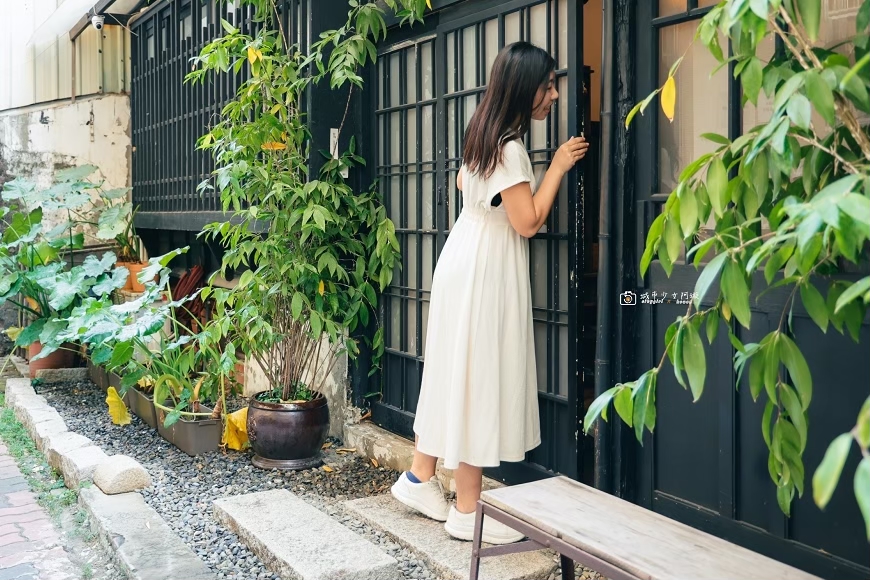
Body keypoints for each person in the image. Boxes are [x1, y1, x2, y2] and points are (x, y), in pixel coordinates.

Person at [390, 41, 589, 545]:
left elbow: (463, 184)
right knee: (477, 377)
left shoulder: (481, 135)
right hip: (486, 268)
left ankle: (418, 476)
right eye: (547, 86)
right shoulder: (512, 148)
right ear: (526, 90)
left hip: (462, 256)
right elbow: (527, 222)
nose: (554, 95)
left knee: (453, 372)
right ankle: (467, 510)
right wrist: (559, 168)